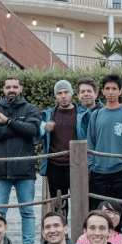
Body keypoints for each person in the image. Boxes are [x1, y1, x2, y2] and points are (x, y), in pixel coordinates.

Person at [0, 76, 42, 244]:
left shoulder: (31, 108)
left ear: (21, 88)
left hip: (24, 170)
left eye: (15, 87)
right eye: (8, 86)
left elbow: (32, 130)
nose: (11, 89)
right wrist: (18, 128)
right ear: (3, 89)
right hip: (0, 171)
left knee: (28, 211)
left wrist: (8, 122)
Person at [87, 75, 122, 210]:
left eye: (114, 88)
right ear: (102, 91)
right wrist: (92, 165)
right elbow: (90, 142)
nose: (111, 92)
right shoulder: (96, 115)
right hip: (98, 172)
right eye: (107, 88)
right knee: (98, 212)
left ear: (120, 91)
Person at [39, 80, 91, 216]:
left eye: (66, 92)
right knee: (58, 208)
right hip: (54, 166)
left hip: (77, 165)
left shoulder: (83, 114)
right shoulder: (48, 115)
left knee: (80, 205)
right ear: (55, 96)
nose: (63, 96)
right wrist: (43, 127)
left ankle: (81, 236)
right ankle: (62, 235)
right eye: (59, 93)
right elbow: (36, 139)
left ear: (72, 94)